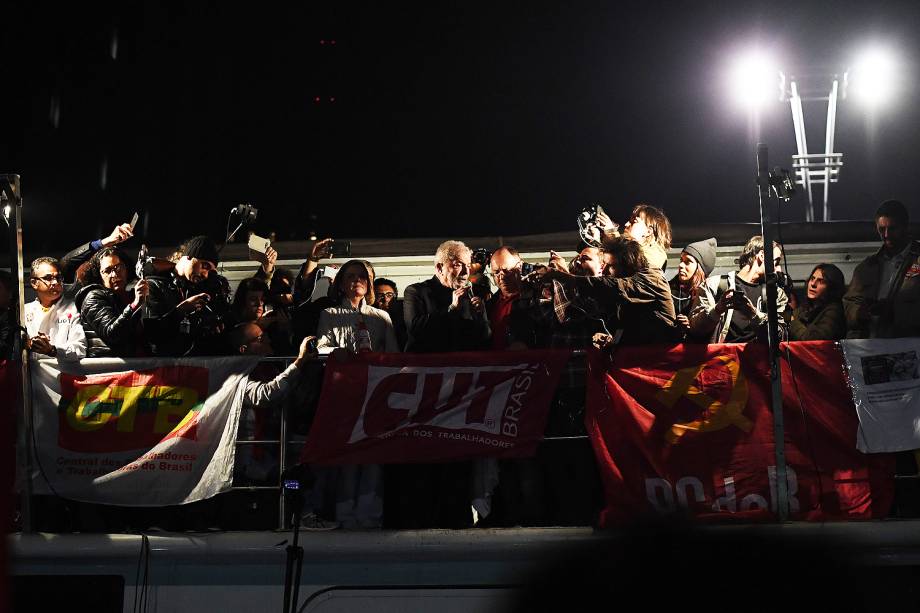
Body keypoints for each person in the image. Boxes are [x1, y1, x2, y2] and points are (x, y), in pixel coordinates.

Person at [315, 259, 397, 529]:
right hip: (345, 392)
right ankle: (345, 511)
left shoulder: (381, 317)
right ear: (341, 283)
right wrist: (334, 352)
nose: (356, 281)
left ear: (370, 281)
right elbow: (322, 347)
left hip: (376, 392)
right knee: (349, 452)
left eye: (362, 276)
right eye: (350, 276)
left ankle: (371, 513)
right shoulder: (329, 314)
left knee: (373, 452)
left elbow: (395, 355)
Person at [538, 236, 676, 346]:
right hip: (639, 361)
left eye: (610, 266)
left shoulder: (651, 278)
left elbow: (615, 286)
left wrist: (562, 276)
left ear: (626, 264)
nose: (604, 271)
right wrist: (613, 341)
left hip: (660, 364)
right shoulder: (627, 282)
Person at [843, 200, 920, 339]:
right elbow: (849, 302)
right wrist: (859, 313)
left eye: (892, 228)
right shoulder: (866, 266)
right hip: (869, 345)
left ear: (905, 227)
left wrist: (894, 312)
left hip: (908, 347)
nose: (886, 235)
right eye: (881, 229)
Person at [143, 235, 231, 356]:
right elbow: (152, 334)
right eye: (205, 266)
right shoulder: (153, 285)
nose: (205, 275)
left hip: (192, 366)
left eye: (209, 271)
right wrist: (182, 309)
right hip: (163, 367)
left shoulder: (199, 288)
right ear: (188, 256)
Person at [691, 235, 788, 343]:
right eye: (776, 261)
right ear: (762, 255)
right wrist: (717, 309)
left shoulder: (776, 294)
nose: (778, 268)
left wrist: (754, 314)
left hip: (757, 359)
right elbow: (695, 330)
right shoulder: (714, 285)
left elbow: (780, 336)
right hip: (722, 359)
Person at [403, 240, 491, 352]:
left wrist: (480, 316)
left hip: (463, 366)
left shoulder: (474, 294)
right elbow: (415, 330)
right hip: (428, 366)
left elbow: (485, 339)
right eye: (457, 265)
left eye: (468, 265)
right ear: (439, 268)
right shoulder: (416, 291)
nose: (465, 272)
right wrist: (452, 309)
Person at [74, 248, 150, 357]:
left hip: (136, 365)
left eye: (118, 267)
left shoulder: (130, 295)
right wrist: (135, 305)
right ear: (98, 275)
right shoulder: (93, 297)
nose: (114, 274)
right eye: (107, 271)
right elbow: (112, 334)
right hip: (109, 369)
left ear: (126, 268)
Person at [23, 257, 86, 361]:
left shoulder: (73, 308)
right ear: (34, 283)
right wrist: (28, 344)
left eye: (58, 278)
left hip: (64, 374)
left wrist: (53, 350)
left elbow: (80, 349)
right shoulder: (24, 310)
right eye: (48, 278)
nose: (55, 282)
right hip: (33, 374)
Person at [669, 238, 717, 343]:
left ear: (700, 268)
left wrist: (691, 327)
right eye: (681, 260)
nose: (681, 265)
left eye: (688, 262)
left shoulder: (709, 295)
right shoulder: (668, 290)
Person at [788, 264, 846, 341]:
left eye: (821, 281)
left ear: (832, 287)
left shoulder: (834, 310)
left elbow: (814, 340)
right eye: (812, 279)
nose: (813, 284)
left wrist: (791, 320)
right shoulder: (805, 307)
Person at [373, 277, 408, 350]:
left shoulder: (405, 317)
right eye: (380, 295)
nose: (385, 299)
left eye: (389, 295)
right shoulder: (369, 318)